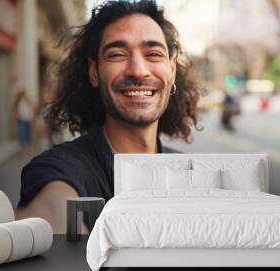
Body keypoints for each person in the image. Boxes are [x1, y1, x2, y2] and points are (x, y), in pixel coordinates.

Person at [16, 0, 202, 233]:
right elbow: (50, 213)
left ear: (172, 70)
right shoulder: (62, 168)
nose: (138, 70)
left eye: (153, 54)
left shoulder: (191, 174)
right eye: (117, 54)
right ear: (94, 72)